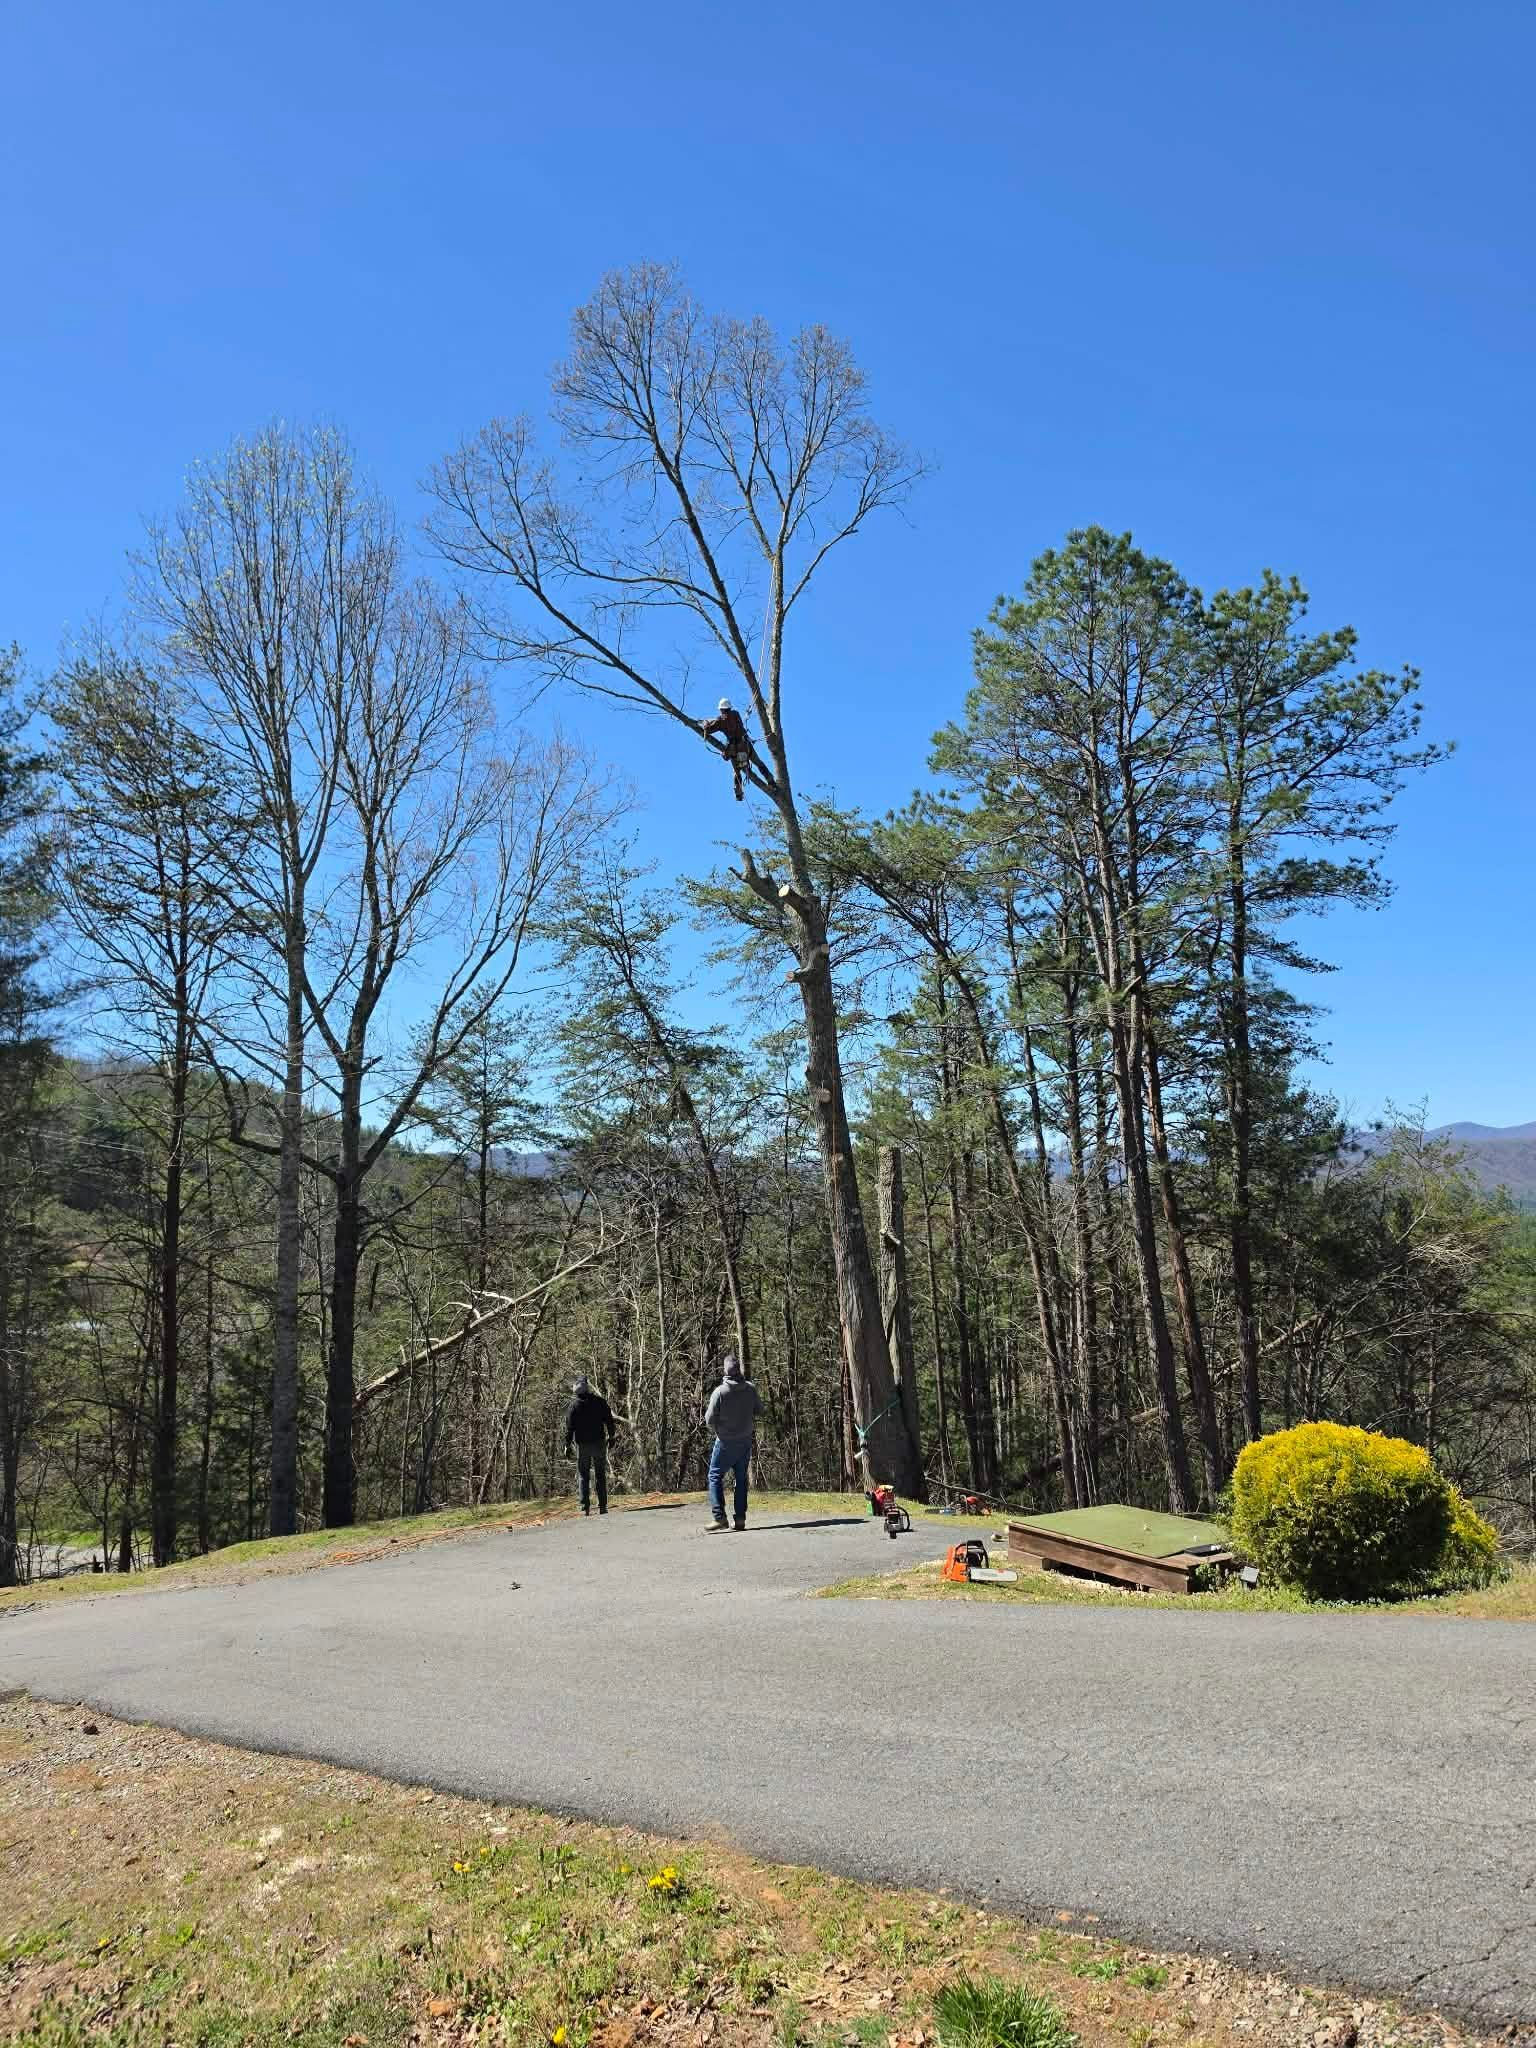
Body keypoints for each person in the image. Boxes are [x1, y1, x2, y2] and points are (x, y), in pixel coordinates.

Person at [704, 1353, 762, 1531]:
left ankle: (720, 1517)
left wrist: (721, 1427)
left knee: (714, 1476)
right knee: (741, 1479)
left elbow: (709, 1419)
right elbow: (760, 1410)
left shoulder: (720, 1392)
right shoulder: (750, 1389)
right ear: (739, 1370)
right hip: (744, 1441)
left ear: (725, 1371)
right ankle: (740, 1519)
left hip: (725, 1442)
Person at [564, 1376, 618, 1515]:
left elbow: (570, 1428)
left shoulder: (574, 1406)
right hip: (599, 1443)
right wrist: (612, 1436)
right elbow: (609, 1420)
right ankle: (602, 1506)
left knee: (583, 1475)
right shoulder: (599, 1402)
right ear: (587, 1388)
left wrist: (567, 1445)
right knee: (600, 1475)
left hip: (582, 1446)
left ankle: (585, 1508)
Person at [700, 697, 756, 801]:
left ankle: (739, 794)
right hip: (745, 745)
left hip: (734, 749)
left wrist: (706, 724)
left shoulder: (720, 720)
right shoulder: (736, 714)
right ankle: (771, 781)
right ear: (729, 708)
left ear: (721, 709)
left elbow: (708, 730)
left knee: (737, 772)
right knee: (758, 762)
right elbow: (738, 726)